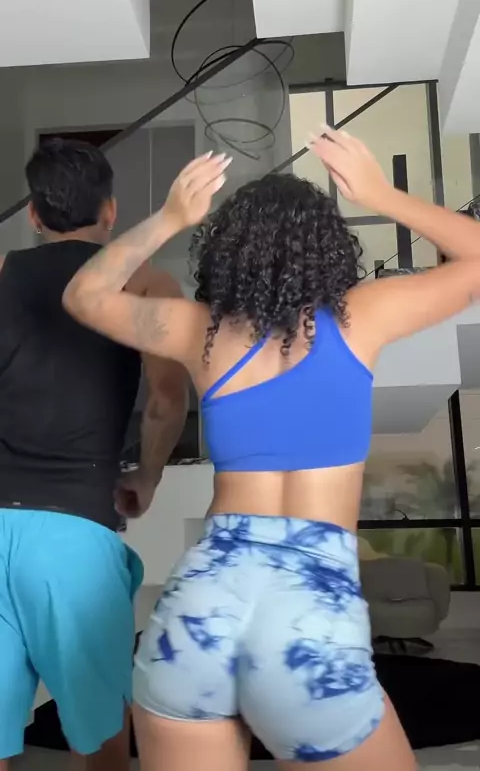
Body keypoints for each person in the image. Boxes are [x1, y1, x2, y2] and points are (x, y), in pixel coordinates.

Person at [62, 129, 480, 771]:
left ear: (226, 252)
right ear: (329, 249)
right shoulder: (363, 317)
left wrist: (170, 218)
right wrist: (380, 194)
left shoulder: (202, 332)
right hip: (308, 611)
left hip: (199, 610)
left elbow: (83, 297)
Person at [0, 138, 188, 770]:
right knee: (103, 737)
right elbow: (166, 400)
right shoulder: (146, 283)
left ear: (34, 214)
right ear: (110, 212)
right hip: (75, 532)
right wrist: (148, 475)